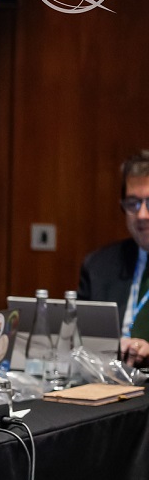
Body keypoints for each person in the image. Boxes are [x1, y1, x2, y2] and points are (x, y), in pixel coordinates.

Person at [78, 150, 149, 366]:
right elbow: (77, 341)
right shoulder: (98, 265)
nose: (142, 215)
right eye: (133, 203)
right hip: (102, 378)